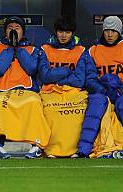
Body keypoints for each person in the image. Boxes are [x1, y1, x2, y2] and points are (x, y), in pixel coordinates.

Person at [80, 16, 123, 158]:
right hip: (101, 90)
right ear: (103, 31)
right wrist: (103, 90)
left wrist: (120, 90)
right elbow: (90, 78)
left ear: (119, 32)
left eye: (113, 31)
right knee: (97, 102)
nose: (110, 34)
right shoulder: (92, 51)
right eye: (107, 31)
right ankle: (83, 150)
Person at [0, 16, 50, 159]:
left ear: (23, 31)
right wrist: (10, 48)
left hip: (27, 90)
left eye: (17, 28)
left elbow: (31, 68)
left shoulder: (32, 49)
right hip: (3, 91)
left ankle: (36, 145)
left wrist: (19, 48)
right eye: (10, 28)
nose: (13, 30)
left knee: (34, 103)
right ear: (5, 32)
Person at [38, 16, 87, 158]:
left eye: (67, 32)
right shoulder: (45, 49)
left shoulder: (81, 50)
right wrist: (66, 71)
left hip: (74, 91)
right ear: (55, 32)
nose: (64, 35)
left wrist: (57, 77)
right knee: (52, 114)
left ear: (73, 33)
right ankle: (51, 150)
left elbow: (79, 80)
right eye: (60, 31)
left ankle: (76, 150)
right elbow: (45, 76)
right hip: (49, 91)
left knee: (76, 114)